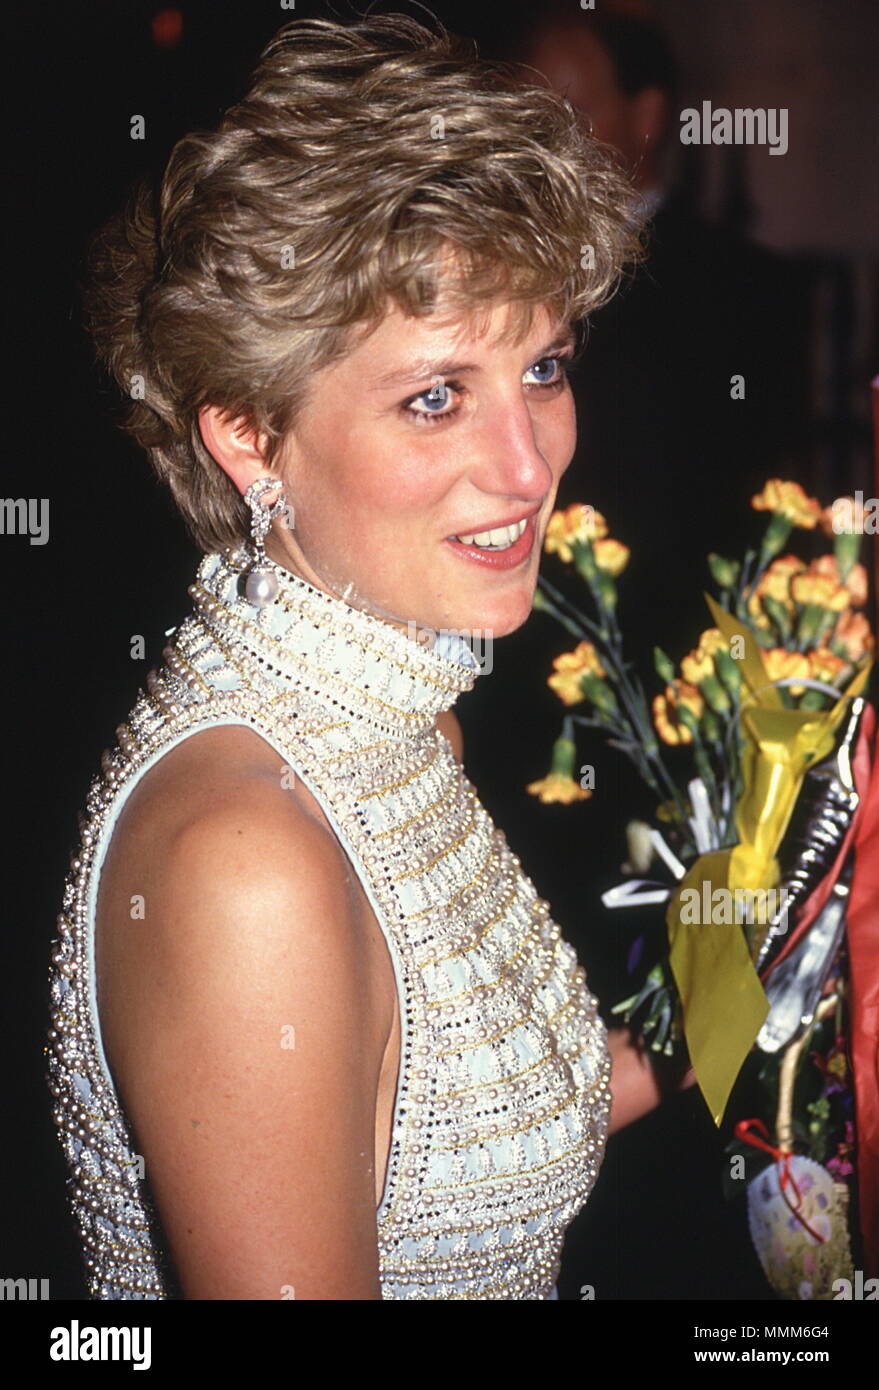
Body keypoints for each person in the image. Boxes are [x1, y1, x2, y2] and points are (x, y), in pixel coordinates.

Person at [46, 13, 693, 1302]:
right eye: (435, 396)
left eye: (544, 367)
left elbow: (464, 1142)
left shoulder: (394, 723)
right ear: (249, 438)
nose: (531, 464)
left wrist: (773, 970)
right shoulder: (250, 857)